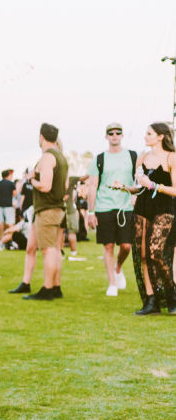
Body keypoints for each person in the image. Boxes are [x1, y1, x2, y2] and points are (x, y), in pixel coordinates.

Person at [114, 123, 176, 314]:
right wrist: (125, 187)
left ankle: (171, 295)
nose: (145, 136)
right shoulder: (142, 159)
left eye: (149, 133)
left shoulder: (171, 157)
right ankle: (151, 301)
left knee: (156, 252)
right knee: (143, 254)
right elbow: (140, 187)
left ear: (160, 136)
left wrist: (154, 186)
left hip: (164, 208)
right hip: (143, 207)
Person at [12, 123, 67, 301]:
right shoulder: (60, 157)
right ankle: (47, 285)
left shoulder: (47, 157)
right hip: (53, 209)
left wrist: (32, 181)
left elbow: (45, 185)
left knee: (48, 250)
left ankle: (48, 288)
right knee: (39, 248)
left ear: (41, 137)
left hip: (47, 209)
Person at [86, 123, 137, 296]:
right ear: (106, 136)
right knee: (108, 246)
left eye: (118, 132)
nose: (114, 135)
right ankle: (112, 283)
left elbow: (138, 181)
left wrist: (135, 196)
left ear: (122, 135)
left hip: (126, 207)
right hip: (104, 206)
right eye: (111, 133)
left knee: (126, 246)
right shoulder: (99, 158)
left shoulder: (132, 156)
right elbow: (92, 186)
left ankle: (118, 268)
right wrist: (90, 212)